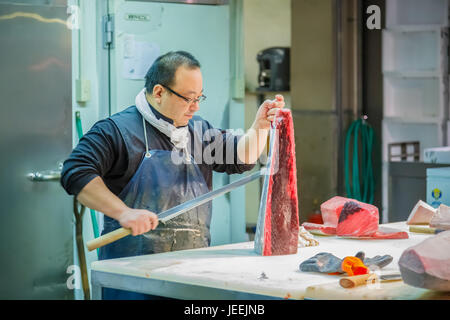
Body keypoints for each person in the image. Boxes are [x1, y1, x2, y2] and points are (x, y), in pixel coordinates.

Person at [60, 51, 285, 299]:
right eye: (189, 98)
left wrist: (259, 127)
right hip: (133, 282)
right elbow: (76, 171)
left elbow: (240, 157)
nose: (196, 107)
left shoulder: (199, 131)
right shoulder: (116, 131)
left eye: (199, 98)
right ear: (158, 92)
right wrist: (124, 213)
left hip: (189, 276)